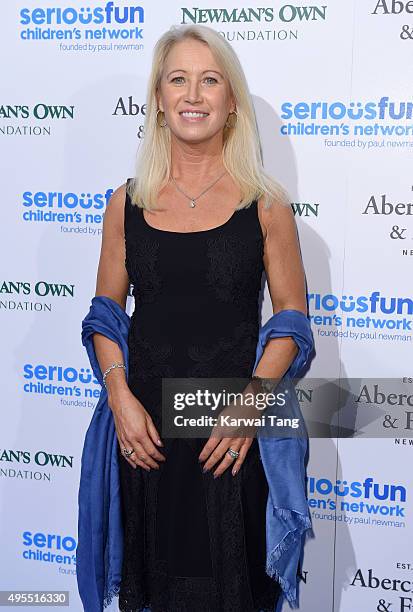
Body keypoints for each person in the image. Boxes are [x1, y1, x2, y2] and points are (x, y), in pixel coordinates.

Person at [91, 23, 308, 612]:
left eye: (209, 80)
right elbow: (105, 314)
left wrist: (252, 404)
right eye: (178, 80)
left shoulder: (265, 204)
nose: (193, 94)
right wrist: (119, 399)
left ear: (230, 101)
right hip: (147, 436)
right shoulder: (126, 202)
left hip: (230, 437)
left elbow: (291, 317)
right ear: (158, 101)